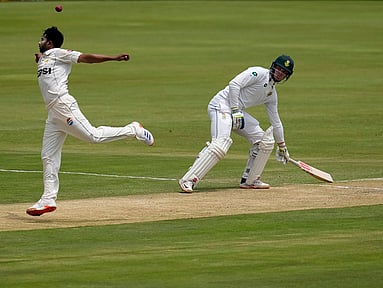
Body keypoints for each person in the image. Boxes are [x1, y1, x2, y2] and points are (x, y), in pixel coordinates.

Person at [27, 26, 155, 216]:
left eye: (42, 39)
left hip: (63, 105)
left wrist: (113, 58)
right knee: (48, 156)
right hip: (53, 114)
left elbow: (86, 57)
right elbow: (47, 67)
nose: (39, 41)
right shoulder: (45, 57)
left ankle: (133, 129)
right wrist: (41, 59)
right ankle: (48, 199)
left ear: (50, 43)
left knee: (93, 136)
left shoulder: (59, 53)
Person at [178, 55, 294, 193]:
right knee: (221, 143)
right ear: (273, 66)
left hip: (236, 112)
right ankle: (188, 180)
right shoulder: (258, 73)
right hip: (221, 105)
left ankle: (250, 180)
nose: (280, 73)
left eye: (284, 72)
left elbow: (276, 121)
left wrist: (282, 146)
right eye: (279, 69)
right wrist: (235, 110)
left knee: (264, 140)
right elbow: (234, 84)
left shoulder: (271, 94)